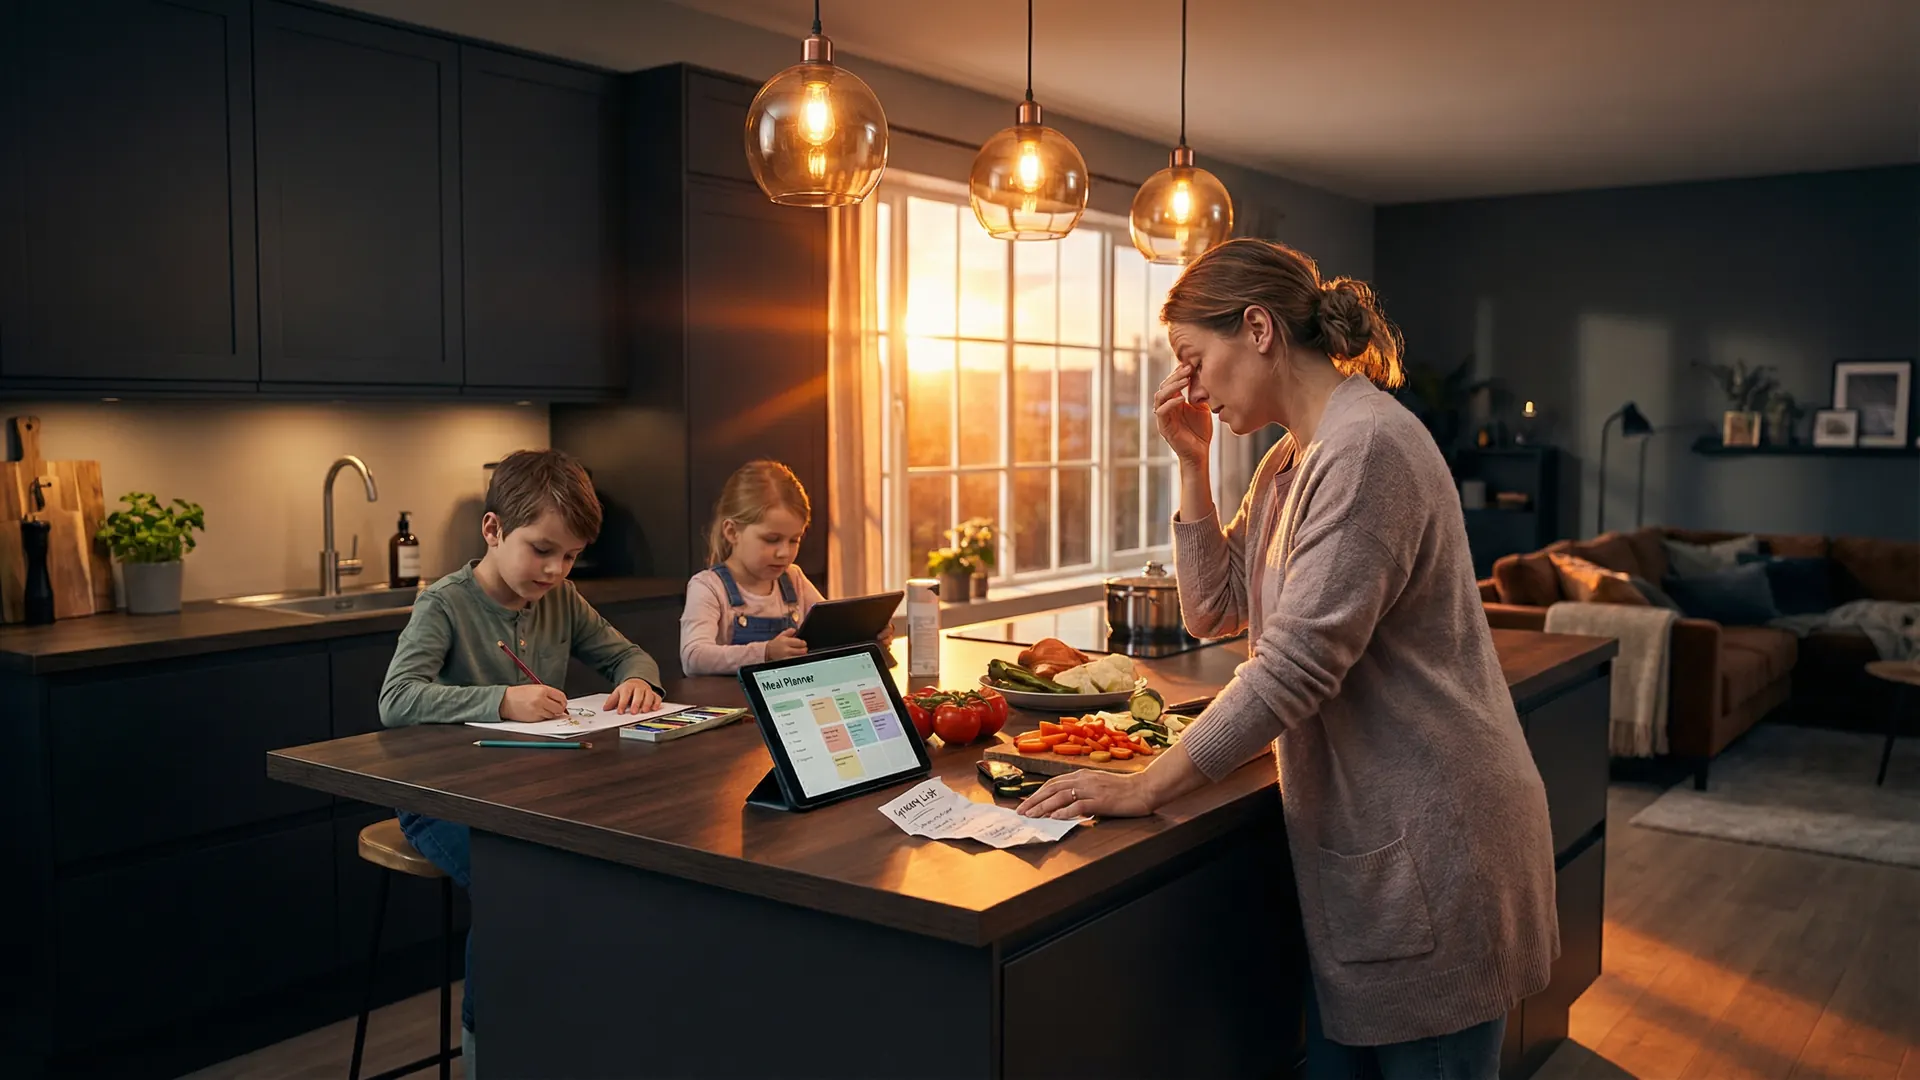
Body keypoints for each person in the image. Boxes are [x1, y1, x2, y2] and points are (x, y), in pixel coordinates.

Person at [1018, 239, 1557, 1077]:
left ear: (1260, 329)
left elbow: (1294, 665)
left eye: (1195, 360)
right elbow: (1214, 611)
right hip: (1373, 843)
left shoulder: (1368, 448)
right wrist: (1192, 464)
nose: (1189, 387)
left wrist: (1145, 787)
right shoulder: (1289, 457)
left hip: (1436, 837)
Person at [380, 447, 666, 1076]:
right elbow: (396, 698)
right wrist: (503, 700)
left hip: (530, 794)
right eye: (542, 550)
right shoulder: (446, 604)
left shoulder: (559, 600)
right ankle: (492, 1050)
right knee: (519, 881)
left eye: (570, 557)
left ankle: (574, 1034)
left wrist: (640, 682)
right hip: (438, 800)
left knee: (599, 869)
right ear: (493, 529)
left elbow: (632, 657)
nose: (557, 569)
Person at [681, 460, 889, 675]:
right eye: (772, 539)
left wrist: (868, 635)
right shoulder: (708, 587)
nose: (784, 553)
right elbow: (693, 657)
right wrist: (765, 652)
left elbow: (832, 632)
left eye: (794, 540)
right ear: (732, 532)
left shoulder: (794, 578)